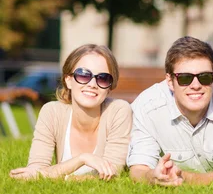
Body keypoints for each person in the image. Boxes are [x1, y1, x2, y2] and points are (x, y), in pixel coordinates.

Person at [127, 36, 213, 186]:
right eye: (185, 78)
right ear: (170, 82)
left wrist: (181, 177)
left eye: (204, 77)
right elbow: (139, 169)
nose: (195, 85)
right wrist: (153, 176)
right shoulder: (147, 106)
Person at [9, 44, 132, 180]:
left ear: (109, 87)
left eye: (103, 78)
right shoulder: (52, 112)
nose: (92, 84)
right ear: (68, 80)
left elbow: (112, 173)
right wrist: (82, 159)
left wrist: (57, 177)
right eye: (83, 75)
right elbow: (35, 168)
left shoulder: (118, 110)